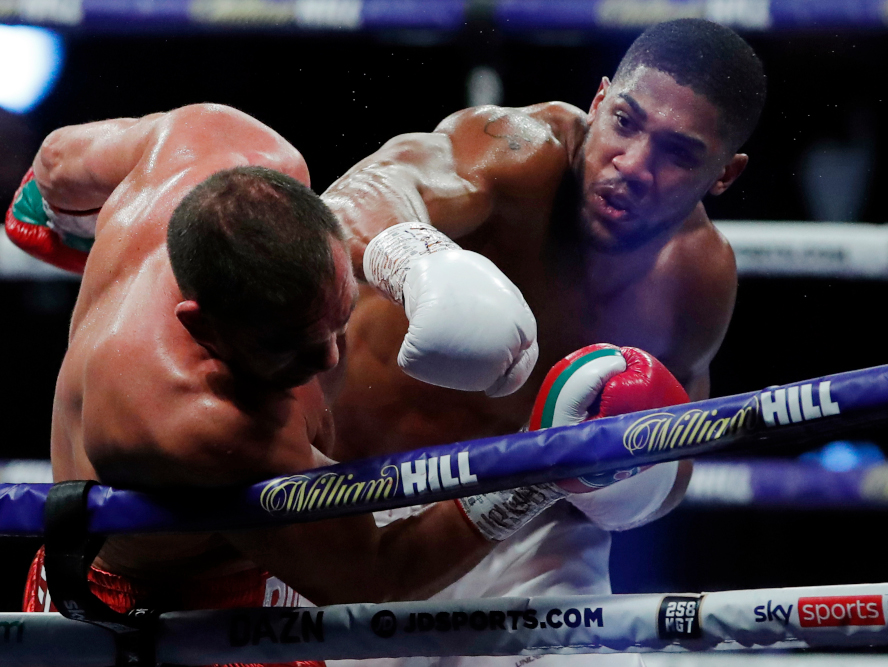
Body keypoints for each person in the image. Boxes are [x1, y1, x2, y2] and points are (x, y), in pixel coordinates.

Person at [5, 103, 666, 667]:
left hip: (259, 565)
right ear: (201, 328)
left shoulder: (220, 140)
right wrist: (537, 466)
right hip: (152, 611)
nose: (324, 359)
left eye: (336, 318)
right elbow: (374, 573)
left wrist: (404, 261)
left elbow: (56, 161)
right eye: (288, 350)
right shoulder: (199, 423)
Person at [321, 19, 765, 667]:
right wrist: (420, 263)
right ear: (598, 99)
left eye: (678, 154)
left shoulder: (695, 276)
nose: (633, 164)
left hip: (529, 536)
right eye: (625, 121)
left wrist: (627, 482)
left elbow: (677, 454)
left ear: (724, 174)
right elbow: (359, 196)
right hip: (357, 499)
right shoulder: (516, 152)